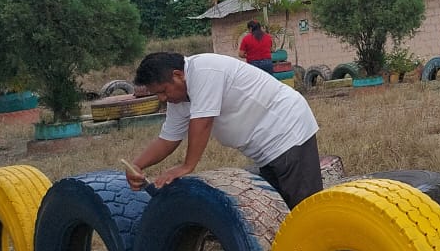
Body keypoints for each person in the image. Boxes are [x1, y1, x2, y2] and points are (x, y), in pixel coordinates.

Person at [124, 52, 323, 208]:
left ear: (178, 75)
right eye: (157, 94)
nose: (162, 99)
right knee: (278, 208)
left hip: (288, 130)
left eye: (163, 91)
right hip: (265, 147)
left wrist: (187, 166)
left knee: (304, 208)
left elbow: (202, 122)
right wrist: (136, 166)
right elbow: (167, 140)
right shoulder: (178, 99)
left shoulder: (204, 70)